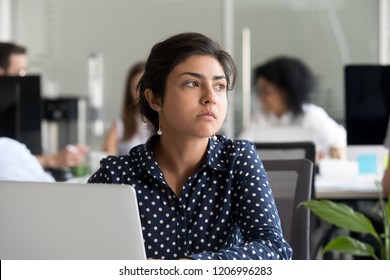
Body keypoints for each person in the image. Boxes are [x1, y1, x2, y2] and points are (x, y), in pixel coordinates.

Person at [88, 32, 292, 260]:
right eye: (192, 83)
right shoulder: (117, 175)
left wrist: (188, 267)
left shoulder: (237, 159)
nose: (210, 97)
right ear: (155, 99)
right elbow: (84, 254)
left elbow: (274, 249)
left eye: (219, 86)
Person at [0, 42, 88, 171]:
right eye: (19, 72)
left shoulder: (18, 109)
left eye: (26, 70)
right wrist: (51, 160)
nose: (25, 76)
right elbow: (6, 159)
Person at [239, 56, 347, 160]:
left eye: (266, 92)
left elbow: (340, 143)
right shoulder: (261, 116)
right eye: (260, 91)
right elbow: (241, 148)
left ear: (285, 92)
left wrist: (327, 156)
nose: (261, 97)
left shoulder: (311, 116)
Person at [101, 61, 151, 155]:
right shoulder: (120, 125)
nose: (140, 92)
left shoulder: (163, 122)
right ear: (129, 91)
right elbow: (106, 156)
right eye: (136, 87)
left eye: (144, 87)